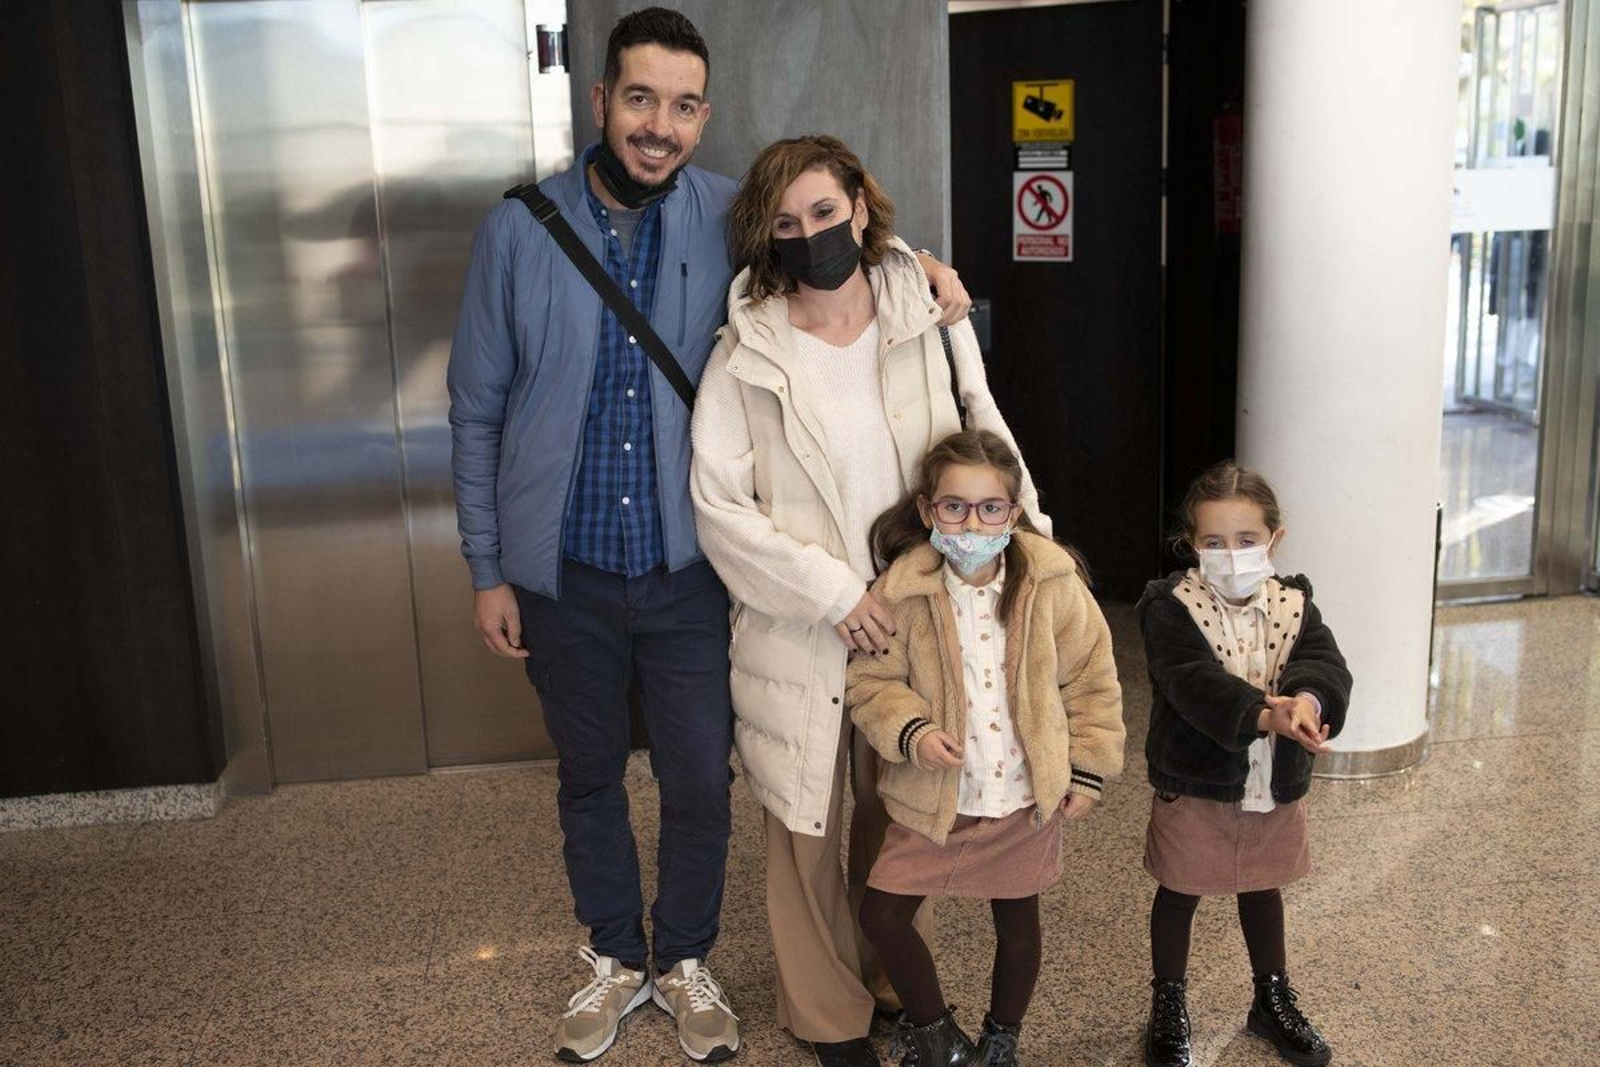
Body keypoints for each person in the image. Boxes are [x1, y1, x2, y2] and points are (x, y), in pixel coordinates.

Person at [447, 9, 970, 1062]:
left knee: (698, 776)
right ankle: (613, 955)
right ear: (600, 102)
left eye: (684, 106)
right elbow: (476, 410)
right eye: (639, 98)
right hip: (563, 569)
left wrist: (932, 279)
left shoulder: (732, 213)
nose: (660, 125)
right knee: (589, 772)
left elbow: (838, 253)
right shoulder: (517, 229)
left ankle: (683, 957)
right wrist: (486, 568)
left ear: (704, 117)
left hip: (691, 572)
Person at [690, 136, 1039, 1067]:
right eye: (788, 222)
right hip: (802, 627)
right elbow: (718, 508)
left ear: (859, 203)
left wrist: (1032, 543)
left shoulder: (927, 310)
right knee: (805, 823)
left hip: (921, 619)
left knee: (900, 812)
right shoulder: (745, 354)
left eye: (825, 212)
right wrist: (832, 591)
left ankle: (885, 975)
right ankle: (829, 1016)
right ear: (768, 236)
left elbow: (984, 425)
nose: (811, 234)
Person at [846, 430, 1126, 1067]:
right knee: (883, 914)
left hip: (1022, 793)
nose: (972, 522)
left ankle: (1002, 1038)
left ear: (1014, 511)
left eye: (989, 508)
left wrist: (1085, 771)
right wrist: (911, 731)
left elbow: (1092, 678)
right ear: (927, 511)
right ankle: (936, 1033)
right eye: (954, 506)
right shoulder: (903, 590)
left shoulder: (1054, 585)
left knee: (1017, 919)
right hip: (934, 795)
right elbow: (870, 680)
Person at [1136, 462, 1353, 1067]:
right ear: (1191, 545)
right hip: (1196, 781)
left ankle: (1271, 998)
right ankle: (1169, 1000)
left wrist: (1307, 701)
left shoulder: (1294, 603)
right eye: (1213, 543)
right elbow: (1192, 685)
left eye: (1247, 540)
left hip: (1271, 785)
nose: (1231, 554)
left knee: (1263, 888)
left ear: (1274, 540)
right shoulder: (1169, 607)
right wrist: (1266, 713)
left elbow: (1325, 663)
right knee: (1180, 891)